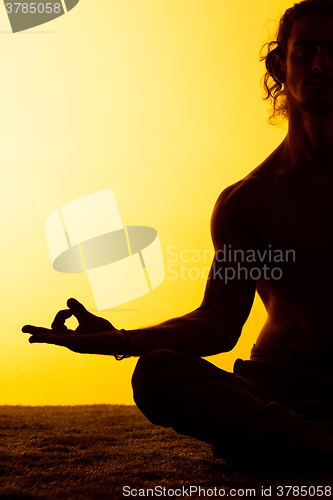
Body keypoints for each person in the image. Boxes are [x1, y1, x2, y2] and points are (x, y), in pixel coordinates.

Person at [23, 0, 333, 465]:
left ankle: (289, 444)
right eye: (305, 50)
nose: (321, 64)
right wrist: (125, 341)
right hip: (278, 384)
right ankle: (309, 439)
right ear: (279, 63)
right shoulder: (247, 200)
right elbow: (220, 322)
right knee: (159, 373)